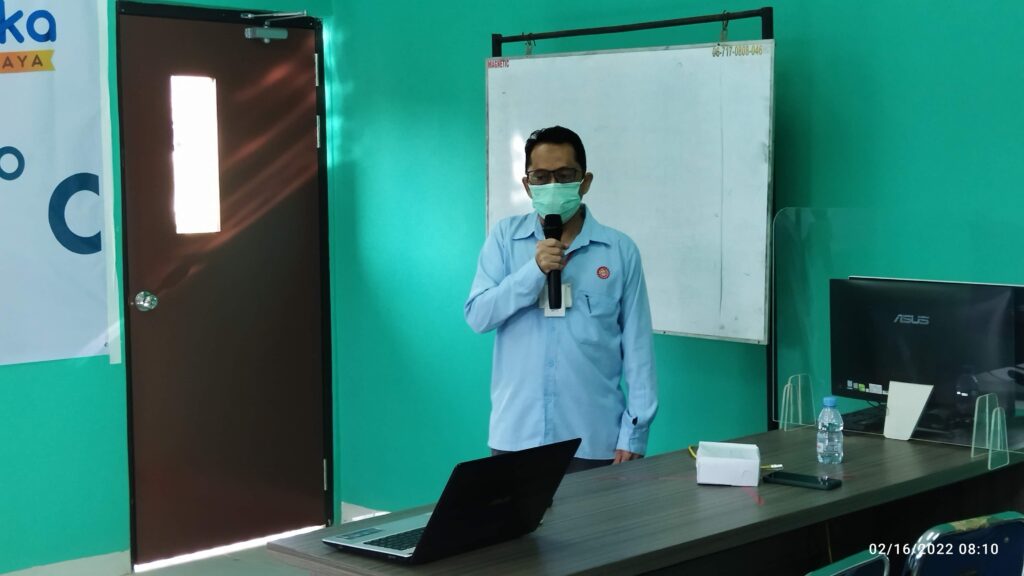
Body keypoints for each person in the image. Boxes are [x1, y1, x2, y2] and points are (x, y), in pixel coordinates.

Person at [465, 125, 657, 473]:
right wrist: (533, 271)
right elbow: (478, 316)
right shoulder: (505, 239)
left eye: (565, 175)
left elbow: (638, 349)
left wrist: (635, 433)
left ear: (585, 182)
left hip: (593, 438)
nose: (552, 186)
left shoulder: (619, 251)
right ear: (527, 185)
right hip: (516, 436)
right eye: (541, 177)